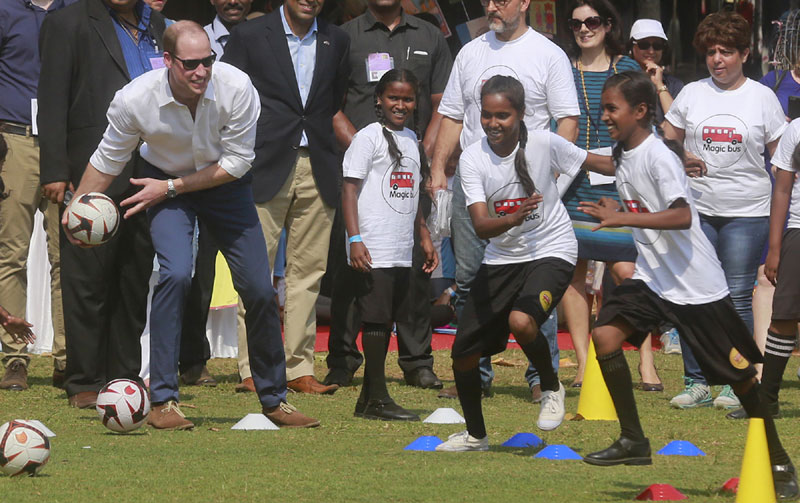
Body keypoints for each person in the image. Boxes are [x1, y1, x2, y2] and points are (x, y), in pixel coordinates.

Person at [62, 21, 319, 430]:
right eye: (191, 64)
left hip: (222, 184)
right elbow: (108, 159)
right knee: (176, 274)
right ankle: (163, 400)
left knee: (257, 286)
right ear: (168, 60)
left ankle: (275, 400)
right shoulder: (135, 99)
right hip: (163, 181)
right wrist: (77, 208)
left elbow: (238, 163)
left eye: (207, 61)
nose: (202, 71)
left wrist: (171, 188)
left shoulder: (237, 88)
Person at [580, 71, 799, 502]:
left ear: (640, 111)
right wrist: (617, 205)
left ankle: (779, 462)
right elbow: (635, 193)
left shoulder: (659, 156)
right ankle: (633, 440)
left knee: (741, 380)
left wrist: (622, 217)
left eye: (611, 108)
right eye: (603, 108)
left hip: (695, 285)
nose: (604, 116)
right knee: (604, 336)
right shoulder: (625, 152)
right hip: (654, 278)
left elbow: (681, 215)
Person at [436, 75, 614, 451]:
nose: (493, 123)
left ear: (521, 114)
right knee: (463, 355)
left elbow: (600, 162)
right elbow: (481, 225)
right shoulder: (473, 157)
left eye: (502, 115)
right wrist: (514, 218)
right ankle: (476, 436)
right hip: (501, 257)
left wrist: (662, 159)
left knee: (522, 319)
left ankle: (550, 386)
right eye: (487, 115)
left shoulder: (545, 143)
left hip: (552, 249)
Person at [429, 0, 580, 402]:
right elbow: (453, 116)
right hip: (474, 184)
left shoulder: (548, 54)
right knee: (468, 278)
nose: (492, 6)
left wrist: (550, 175)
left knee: (532, 281)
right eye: (488, 0)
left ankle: (541, 376)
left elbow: (567, 119)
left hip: (526, 187)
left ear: (525, 2)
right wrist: (439, 168)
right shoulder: (470, 52)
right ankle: (475, 374)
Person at [38, 0, 167, 410]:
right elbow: (51, 97)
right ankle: (84, 379)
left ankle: (124, 377)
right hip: (91, 167)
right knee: (87, 278)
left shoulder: (159, 24)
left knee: (133, 277)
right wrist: (55, 169)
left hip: (150, 170)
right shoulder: (67, 22)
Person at [221, 0, 350, 394]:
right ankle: (252, 368)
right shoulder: (248, 35)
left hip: (319, 164)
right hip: (262, 163)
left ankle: (299, 368)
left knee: (308, 272)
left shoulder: (337, 39)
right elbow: (226, 95)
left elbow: (334, 100)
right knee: (254, 272)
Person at [662, 11, 787, 411]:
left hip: (747, 212)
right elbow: (666, 138)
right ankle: (696, 381)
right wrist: (681, 156)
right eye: (711, 52)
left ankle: (736, 380)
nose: (717, 59)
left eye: (727, 51)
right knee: (692, 295)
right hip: (696, 211)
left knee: (735, 298)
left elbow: (782, 158)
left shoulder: (762, 97)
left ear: (745, 54)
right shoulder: (692, 94)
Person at [325, 0, 453, 389]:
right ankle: (343, 359)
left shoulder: (430, 36)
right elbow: (327, 103)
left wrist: (419, 153)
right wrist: (369, 148)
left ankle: (417, 361)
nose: (400, 104)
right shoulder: (344, 37)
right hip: (359, 171)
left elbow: (443, 105)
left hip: (410, 169)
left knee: (414, 271)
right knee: (352, 270)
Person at [559, 0, 661, 392]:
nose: (585, 29)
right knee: (575, 271)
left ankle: (646, 360)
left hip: (623, 179)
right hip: (574, 180)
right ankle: (585, 365)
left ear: (607, 24)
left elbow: (648, 120)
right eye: (576, 24)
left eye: (592, 21)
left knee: (629, 271)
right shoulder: (564, 68)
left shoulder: (627, 66)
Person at [343, 69, 438, 420]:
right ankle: (379, 399)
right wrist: (355, 239)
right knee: (375, 319)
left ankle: (368, 399)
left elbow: (412, 194)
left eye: (408, 99)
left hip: (401, 245)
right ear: (379, 100)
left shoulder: (412, 140)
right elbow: (349, 190)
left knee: (387, 320)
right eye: (393, 98)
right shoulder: (366, 138)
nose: (400, 105)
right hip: (373, 243)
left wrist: (424, 235)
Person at [176, 0, 255, 391]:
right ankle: (189, 359)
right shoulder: (188, 38)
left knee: (247, 276)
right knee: (189, 272)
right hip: (184, 170)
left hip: (235, 170)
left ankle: (254, 367)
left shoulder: (258, 38)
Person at [0, 0, 70, 392]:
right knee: (11, 253)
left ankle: (68, 359)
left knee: (68, 256)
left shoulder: (75, 11)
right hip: (15, 139)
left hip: (64, 143)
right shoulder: (4, 10)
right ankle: (15, 357)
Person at [746, 118, 800, 421]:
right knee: (783, 316)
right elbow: (782, 190)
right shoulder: (797, 129)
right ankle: (767, 400)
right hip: (798, 230)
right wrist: (775, 248)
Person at [627, 19, 683, 125]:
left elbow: (677, 121)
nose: (651, 51)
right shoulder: (621, 80)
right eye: (644, 45)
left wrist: (659, 85)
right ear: (632, 47)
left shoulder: (675, 85)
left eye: (657, 46)